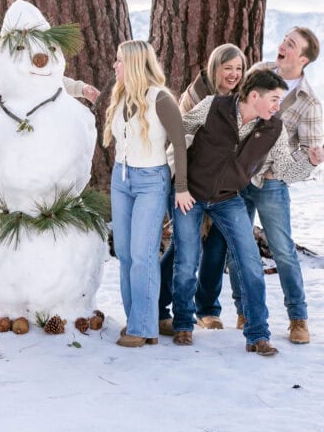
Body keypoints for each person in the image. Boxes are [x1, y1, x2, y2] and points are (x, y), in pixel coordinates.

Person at [0, 1, 100, 318]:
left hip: (2, 147)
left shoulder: (3, 52)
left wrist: (78, 88)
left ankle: (31, 287)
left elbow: (39, 79)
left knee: (9, 213)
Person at [197, 27, 324, 343]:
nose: (283, 45)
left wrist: (282, 166)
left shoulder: (309, 102)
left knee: (282, 249)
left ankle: (298, 319)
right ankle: (243, 312)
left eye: (291, 45)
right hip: (238, 176)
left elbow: (309, 147)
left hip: (271, 183)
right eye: (284, 40)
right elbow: (234, 111)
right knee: (232, 246)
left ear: (303, 59)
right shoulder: (258, 72)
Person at [171, 69, 288, 356]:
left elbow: (284, 168)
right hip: (191, 194)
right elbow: (179, 131)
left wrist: (310, 162)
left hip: (228, 198)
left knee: (250, 263)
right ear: (253, 96)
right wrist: (180, 181)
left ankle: (258, 335)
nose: (277, 106)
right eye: (274, 99)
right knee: (186, 262)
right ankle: (183, 323)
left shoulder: (273, 128)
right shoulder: (213, 105)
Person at [104, 41, 192, 348]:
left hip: (152, 181)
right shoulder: (121, 96)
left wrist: (180, 186)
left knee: (143, 255)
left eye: (119, 61)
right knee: (125, 254)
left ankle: (143, 327)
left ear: (134, 63)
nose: (114, 66)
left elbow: (179, 144)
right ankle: (137, 321)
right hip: (121, 179)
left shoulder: (161, 98)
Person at [156, 44, 246, 334]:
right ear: (215, 67)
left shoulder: (240, 99)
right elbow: (179, 139)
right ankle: (159, 306)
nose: (233, 74)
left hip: (224, 186)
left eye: (239, 69)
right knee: (184, 247)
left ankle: (207, 308)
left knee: (217, 246)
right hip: (188, 183)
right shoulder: (196, 96)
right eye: (227, 67)